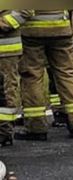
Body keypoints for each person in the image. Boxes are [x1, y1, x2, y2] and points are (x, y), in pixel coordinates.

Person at [19, 10, 73, 139]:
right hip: (62, 30)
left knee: (32, 76)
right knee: (67, 75)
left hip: (32, 32)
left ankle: (36, 127)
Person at [0, 10, 30, 146]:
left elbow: (25, 12)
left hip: (6, 48)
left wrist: (2, 23)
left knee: (6, 90)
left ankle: (4, 131)